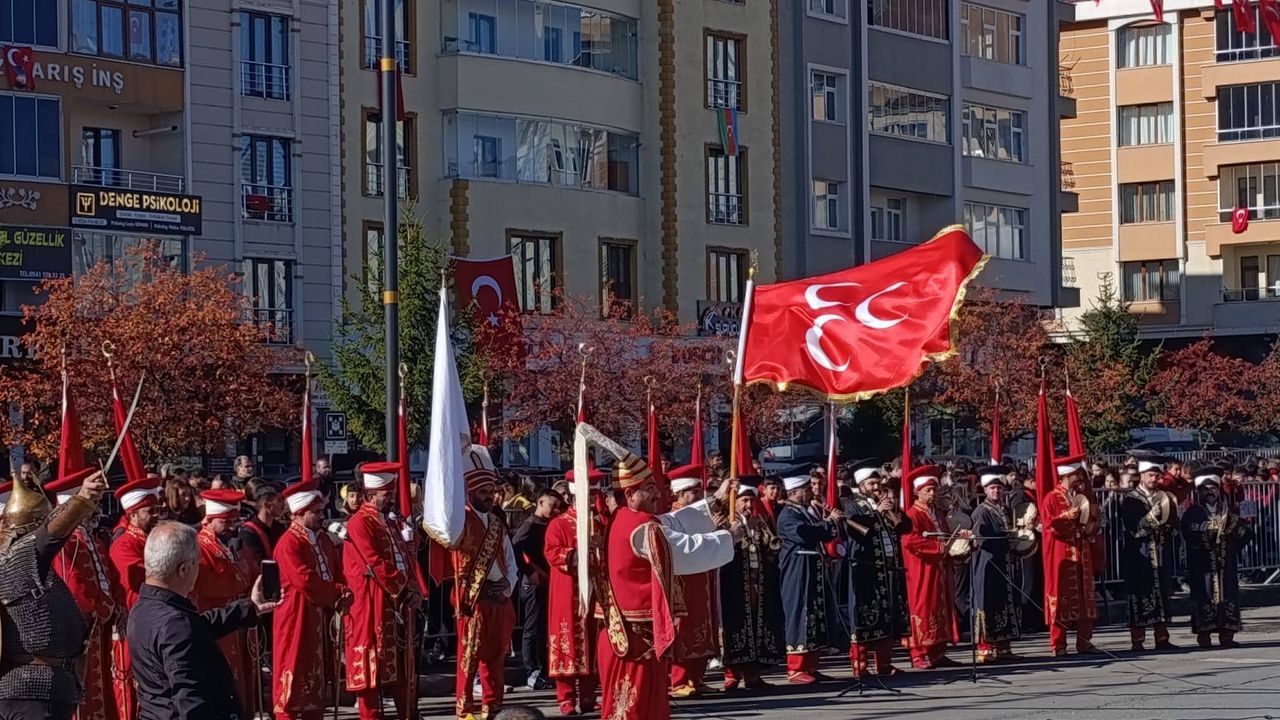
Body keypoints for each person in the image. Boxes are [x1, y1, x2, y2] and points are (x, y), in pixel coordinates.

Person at [594, 447, 732, 720]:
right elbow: (682, 551)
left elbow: (674, 522)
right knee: (632, 710)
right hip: (636, 640)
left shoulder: (624, 519)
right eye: (649, 488)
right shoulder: (641, 527)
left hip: (631, 636)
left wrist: (714, 501)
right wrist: (728, 537)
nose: (658, 494)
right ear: (630, 494)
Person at [128, 522, 280, 720]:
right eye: (197, 564)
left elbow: (199, 626)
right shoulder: (174, 624)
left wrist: (250, 607)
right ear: (183, 569)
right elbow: (191, 701)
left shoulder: (144, 607)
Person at [0, 467, 108, 720]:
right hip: (31, 691)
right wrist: (81, 499)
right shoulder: (18, 557)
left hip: (38, 689)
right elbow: (50, 535)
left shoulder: (23, 568)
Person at [436, 448, 516, 720]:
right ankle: (465, 708)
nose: (489, 497)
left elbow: (509, 559)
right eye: (483, 492)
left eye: (491, 492)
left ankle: (492, 706)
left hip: (497, 597)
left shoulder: (497, 523)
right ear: (470, 492)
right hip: (472, 598)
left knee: (495, 656)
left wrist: (507, 585)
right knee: (468, 656)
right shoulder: (459, 521)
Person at [343, 461, 422, 720]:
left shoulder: (388, 521)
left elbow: (402, 557)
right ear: (370, 494)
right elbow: (375, 562)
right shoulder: (359, 523)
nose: (391, 499)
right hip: (371, 604)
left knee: (401, 665)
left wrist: (413, 586)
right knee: (370, 669)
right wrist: (404, 587)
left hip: (394, 602)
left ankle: (408, 714)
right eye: (386, 494)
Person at [272, 480, 352, 720]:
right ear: (299, 513)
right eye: (315, 512)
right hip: (297, 616)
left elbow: (337, 570)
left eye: (321, 511)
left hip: (321, 615)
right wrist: (337, 591)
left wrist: (344, 591)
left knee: (318, 676)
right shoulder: (289, 543)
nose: (321, 516)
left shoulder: (323, 539)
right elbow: (305, 580)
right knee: (294, 671)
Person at [48, 468, 122, 720]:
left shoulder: (92, 539)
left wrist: (112, 606)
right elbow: (73, 586)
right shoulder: (65, 542)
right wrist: (100, 607)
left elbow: (107, 577)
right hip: (81, 630)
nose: (96, 510)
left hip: (98, 628)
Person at [194, 489, 259, 714]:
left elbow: (251, 572)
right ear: (210, 520)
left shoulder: (235, 546)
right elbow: (208, 584)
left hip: (239, 622)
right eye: (226, 522)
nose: (232, 527)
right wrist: (238, 580)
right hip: (217, 622)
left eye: (234, 521)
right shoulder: (199, 547)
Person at [841, 464, 910, 678]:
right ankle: (860, 665)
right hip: (866, 570)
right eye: (871, 484)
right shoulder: (853, 506)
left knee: (886, 617)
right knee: (865, 617)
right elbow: (858, 532)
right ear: (861, 486)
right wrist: (876, 512)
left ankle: (884, 663)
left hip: (888, 569)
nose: (876, 487)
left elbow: (906, 527)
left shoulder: (884, 504)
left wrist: (894, 511)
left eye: (877, 483)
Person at [543, 470, 602, 716]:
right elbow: (552, 552)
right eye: (588, 496)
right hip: (567, 592)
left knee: (592, 642)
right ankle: (566, 698)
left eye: (594, 496)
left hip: (595, 591)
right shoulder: (558, 524)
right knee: (567, 641)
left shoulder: (599, 523)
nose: (592, 501)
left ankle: (588, 696)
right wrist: (580, 553)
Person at [109, 475, 166, 720]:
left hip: (151, 622)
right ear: (133, 515)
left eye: (157, 510)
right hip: (134, 624)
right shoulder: (124, 544)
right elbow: (143, 578)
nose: (156, 515)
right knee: (131, 690)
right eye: (149, 511)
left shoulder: (150, 539)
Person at [718, 477, 784, 689]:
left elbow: (771, 548)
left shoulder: (758, 521)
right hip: (734, 583)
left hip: (757, 582)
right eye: (744, 500)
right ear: (735, 502)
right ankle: (732, 674)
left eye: (751, 501)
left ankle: (753, 675)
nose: (748, 505)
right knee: (735, 625)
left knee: (757, 626)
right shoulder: (727, 521)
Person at [776, 474, 841, 684]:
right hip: (798, 568)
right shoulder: (788, 514)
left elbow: (825, 534)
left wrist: (830, 523)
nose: (810, 492)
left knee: (816, 613)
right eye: (806, 489)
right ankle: (795, 667)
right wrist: (828, 522)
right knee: (800, 612)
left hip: (813, 567)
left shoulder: (806, 511)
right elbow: (804, 534)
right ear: (795, 492)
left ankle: (811, 664)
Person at [666, 466, 720, 697]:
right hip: (683, 581)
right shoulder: (674, 518)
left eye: (699, 491)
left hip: (702, 578)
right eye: (693, 492)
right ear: (680, 494)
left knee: (703, 626)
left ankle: (696, 677)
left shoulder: (700, 516)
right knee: (683, 629)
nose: (698, 495)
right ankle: (679, 680)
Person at [902, 465, 964, 669]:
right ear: (917, 492)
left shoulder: (936, 513)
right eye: (928, 490)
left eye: (934, 490)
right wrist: (939, 547)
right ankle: (919, 653)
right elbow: (910, 541)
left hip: (939, 567)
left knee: (940, 606)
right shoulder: (912, 515)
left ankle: (938, 651)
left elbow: (944, 535)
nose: (932, 494)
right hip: (922, 568)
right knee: (923, 606)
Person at [1182, 466, 1251, 648]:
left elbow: (1243, 532)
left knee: (1228, 593)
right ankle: (1204, 634)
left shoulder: (1227, 511)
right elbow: (1188, 533)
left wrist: (1232, 538)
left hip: (1225, 561)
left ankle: (1227, 634)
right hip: (1203, 563)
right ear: (1199, 492)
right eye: (1205, 489)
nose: (1210, 492)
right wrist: (1206, 535)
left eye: (1213, 488)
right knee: (1203, 594)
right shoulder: (1193, 512)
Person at [1042, 454, 1102, 656]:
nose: (1080, 478)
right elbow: (1049, 526)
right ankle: (1058, 644)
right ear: (1067, 476)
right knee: (1061, 596)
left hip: (1081, 550)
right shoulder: (1051, 498)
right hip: (1061, 553)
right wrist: (1067, 516)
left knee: (1084, 595)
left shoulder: (1080, 496)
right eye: (1077, 475)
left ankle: (1084, 641)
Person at [1122, 455, 1180, 651]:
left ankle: (1162, 637)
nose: (1154, 479)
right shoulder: (1131, 499)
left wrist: (1170, 524)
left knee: (1162, 592)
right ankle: (1137, 640)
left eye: (1156, 476)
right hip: (1139, 554)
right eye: (1150, 475)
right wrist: (1152, 517)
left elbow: (1172, 522)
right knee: (1140, 593)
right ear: (1141, 475)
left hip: (1160, 550)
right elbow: (1133, 527)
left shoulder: (1163, 496)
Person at [969, 466, 1021, 663]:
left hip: (1003, 563)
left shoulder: (1004, 509)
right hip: (987, 565)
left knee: (1004, 603)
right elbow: (983, 540)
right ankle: (985, 649)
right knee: (986, 603)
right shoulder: (981, 511)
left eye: (999, 488)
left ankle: (1004, 647)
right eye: (992, 488)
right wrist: (1005, 539)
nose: (996, 491)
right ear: (985, 490)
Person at [513, 488, 560, 691]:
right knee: (532, 627)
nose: (554, 510)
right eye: (552, 505)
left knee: (542, 627)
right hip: (532, 582)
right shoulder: (529, 525)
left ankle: (542, 669)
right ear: (541, 503)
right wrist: (529, 570)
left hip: (546, 580)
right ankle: (530, 670)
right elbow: (515, 548)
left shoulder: (549, 524)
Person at [238, 479, 286, 580]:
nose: (284, 504)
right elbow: (259, 566)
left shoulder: (280, 529)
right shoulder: (248, 533)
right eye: (279, 500)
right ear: (267, 506)